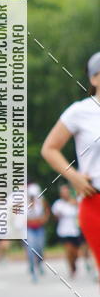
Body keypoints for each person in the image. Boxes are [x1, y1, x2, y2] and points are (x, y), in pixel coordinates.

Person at [41, 51, 100, 277]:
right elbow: (49, 148)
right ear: (94, 79)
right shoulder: (80, 111)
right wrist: (73, 176)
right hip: (95, 201)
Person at [51, 184, 83, 278]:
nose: (64, 194)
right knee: (69, 251)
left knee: (75, 253)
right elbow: (55, 217)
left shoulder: (75, 203)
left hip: (75, 231)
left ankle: (74, 265)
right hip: (64, 231)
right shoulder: (58, 204)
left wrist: (75, 204)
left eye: (66, 192)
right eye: (62, 192)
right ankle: (71, 268)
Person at [24, 183, 50, 282]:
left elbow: (47, 210)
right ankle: (33, 271)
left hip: (39, 228)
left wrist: (44, 219)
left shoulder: (41, 202)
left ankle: (39, 264)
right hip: (29, 228)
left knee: (39, 248)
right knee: (30, 249)